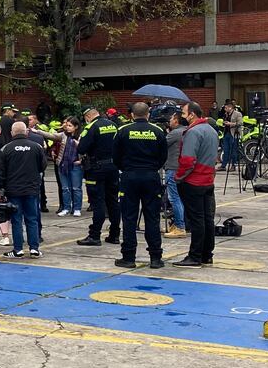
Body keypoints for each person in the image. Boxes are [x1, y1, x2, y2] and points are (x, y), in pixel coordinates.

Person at [113, 102, 168, 268]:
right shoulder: (158, 131)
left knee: (129, 218)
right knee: (152, 218)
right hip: (151, 177)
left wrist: (127, 169)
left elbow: (115, 157)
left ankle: (129, 257)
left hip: (129, 177)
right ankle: (155, 258)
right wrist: (151, 168)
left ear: (132, 115)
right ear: (148, 114)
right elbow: (163, 156)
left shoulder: (122, 131)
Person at [173, 102, 218, 267]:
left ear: (192, 114)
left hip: (193, 181)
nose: (182, 116)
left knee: (197, 220)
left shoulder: (193, 132)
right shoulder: (211, 130)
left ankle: (195, 256)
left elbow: (187, 160)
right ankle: (207, 254)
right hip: (208, 180)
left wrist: (179, 177)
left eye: (184, 113)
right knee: (207, 219)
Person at [0, 122, 47, 258]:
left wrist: (0, 190)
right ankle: (34, 248)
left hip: (13, 190)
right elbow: (43, 166)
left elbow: (0, 172)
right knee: (32, 219)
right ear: (26, 132)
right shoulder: (36, 147)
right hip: (32, 189)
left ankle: (18, 249)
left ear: (12, 133)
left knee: (16, 220)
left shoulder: (6, 149)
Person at [75, 106, 120, 247]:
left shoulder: (91, 127)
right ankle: (115, 234)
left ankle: (94, 235)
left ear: (87, 117)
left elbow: (81, 148)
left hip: (96, 169)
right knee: (113, 200)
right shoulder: (113, 125)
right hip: (113, 167)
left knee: (97, 202)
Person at [27, 113, 61, 215]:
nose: (29, 121)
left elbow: (49, 142)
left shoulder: (41, 129)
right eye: (28, 120)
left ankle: (43, 204)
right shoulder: (24, 129)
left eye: (31, 119)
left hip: (40, 160)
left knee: (41, 185)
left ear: (36, 120)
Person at [163, 110, 188, 239]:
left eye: (171, 119)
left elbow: (161, 145)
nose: (169, 121)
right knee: (181, 198)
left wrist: (166, 134)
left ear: (176, 120)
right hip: (183, 169)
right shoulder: (187, 131)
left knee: (174, 198)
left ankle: (179, 226)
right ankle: (180, 224)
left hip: (172, 168)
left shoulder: (175, 133)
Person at [56, 117, 83, 217]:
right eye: (66, 125)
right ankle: (66, 208)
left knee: (76, 188)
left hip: (75, 165)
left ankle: (77, 208)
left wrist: (80, 160)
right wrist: (37, 131)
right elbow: (51, 135)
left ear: (76, 127)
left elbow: (86, 149)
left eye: (70, 126)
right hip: (63, 165)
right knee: (65, 188)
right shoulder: (63, 135)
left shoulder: (80, 136)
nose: (67, 128)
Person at [220, 102, 240, 171]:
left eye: (226, 108)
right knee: (226, 150)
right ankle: (223, 166)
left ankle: (233, 165)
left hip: (233, 133)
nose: (225, 109)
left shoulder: (237, 114)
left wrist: (230, 124)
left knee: (233, 150)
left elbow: (240, 123)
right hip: (226, 133)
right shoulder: (226, 114)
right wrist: (224, 123)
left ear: (230, 107)